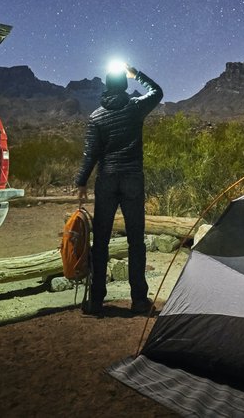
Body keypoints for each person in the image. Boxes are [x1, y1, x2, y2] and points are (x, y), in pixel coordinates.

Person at [75, 62, 163, 317]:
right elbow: (157, 92)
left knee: (100, 241)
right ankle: (138, 300)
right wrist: (137, 74)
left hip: (107, 180)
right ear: (124, 85)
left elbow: (90, 153)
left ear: (105, 86)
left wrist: (81, 182)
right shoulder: (135, 107)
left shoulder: (96, 116)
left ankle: (96, 301)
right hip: (132, 179)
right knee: (136, 241)